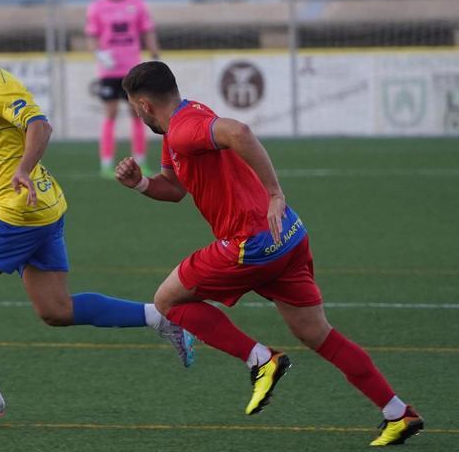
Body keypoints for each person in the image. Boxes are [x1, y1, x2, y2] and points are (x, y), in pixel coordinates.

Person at [114, 61, 423, 447]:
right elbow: (175, 189)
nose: (135, 116)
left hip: (251, 244)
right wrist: (140, 183)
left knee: (167, 301)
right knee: (317, 334)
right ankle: (397, 413)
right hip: (288, 236)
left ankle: (261, 359)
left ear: (143, 105)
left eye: (132, 109)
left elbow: (239, 131)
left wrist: (275, 192)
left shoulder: (184, 131)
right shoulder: (186, 121)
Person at [0, 14, 194, 426]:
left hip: (18, 210)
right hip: (42, 206)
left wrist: (22, 168)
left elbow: (40, 126)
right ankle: (161, 318)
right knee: (56, 309)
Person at [85, 0, 160, 178]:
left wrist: (155, 54)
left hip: (133, 69)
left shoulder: (136, 5)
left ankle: (141, 161)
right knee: (110, 113)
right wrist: (99, 53)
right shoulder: (97, 7)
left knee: (138, 114)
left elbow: (148, 31)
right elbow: (91, 37)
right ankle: (106, 163)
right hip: (109, 71)